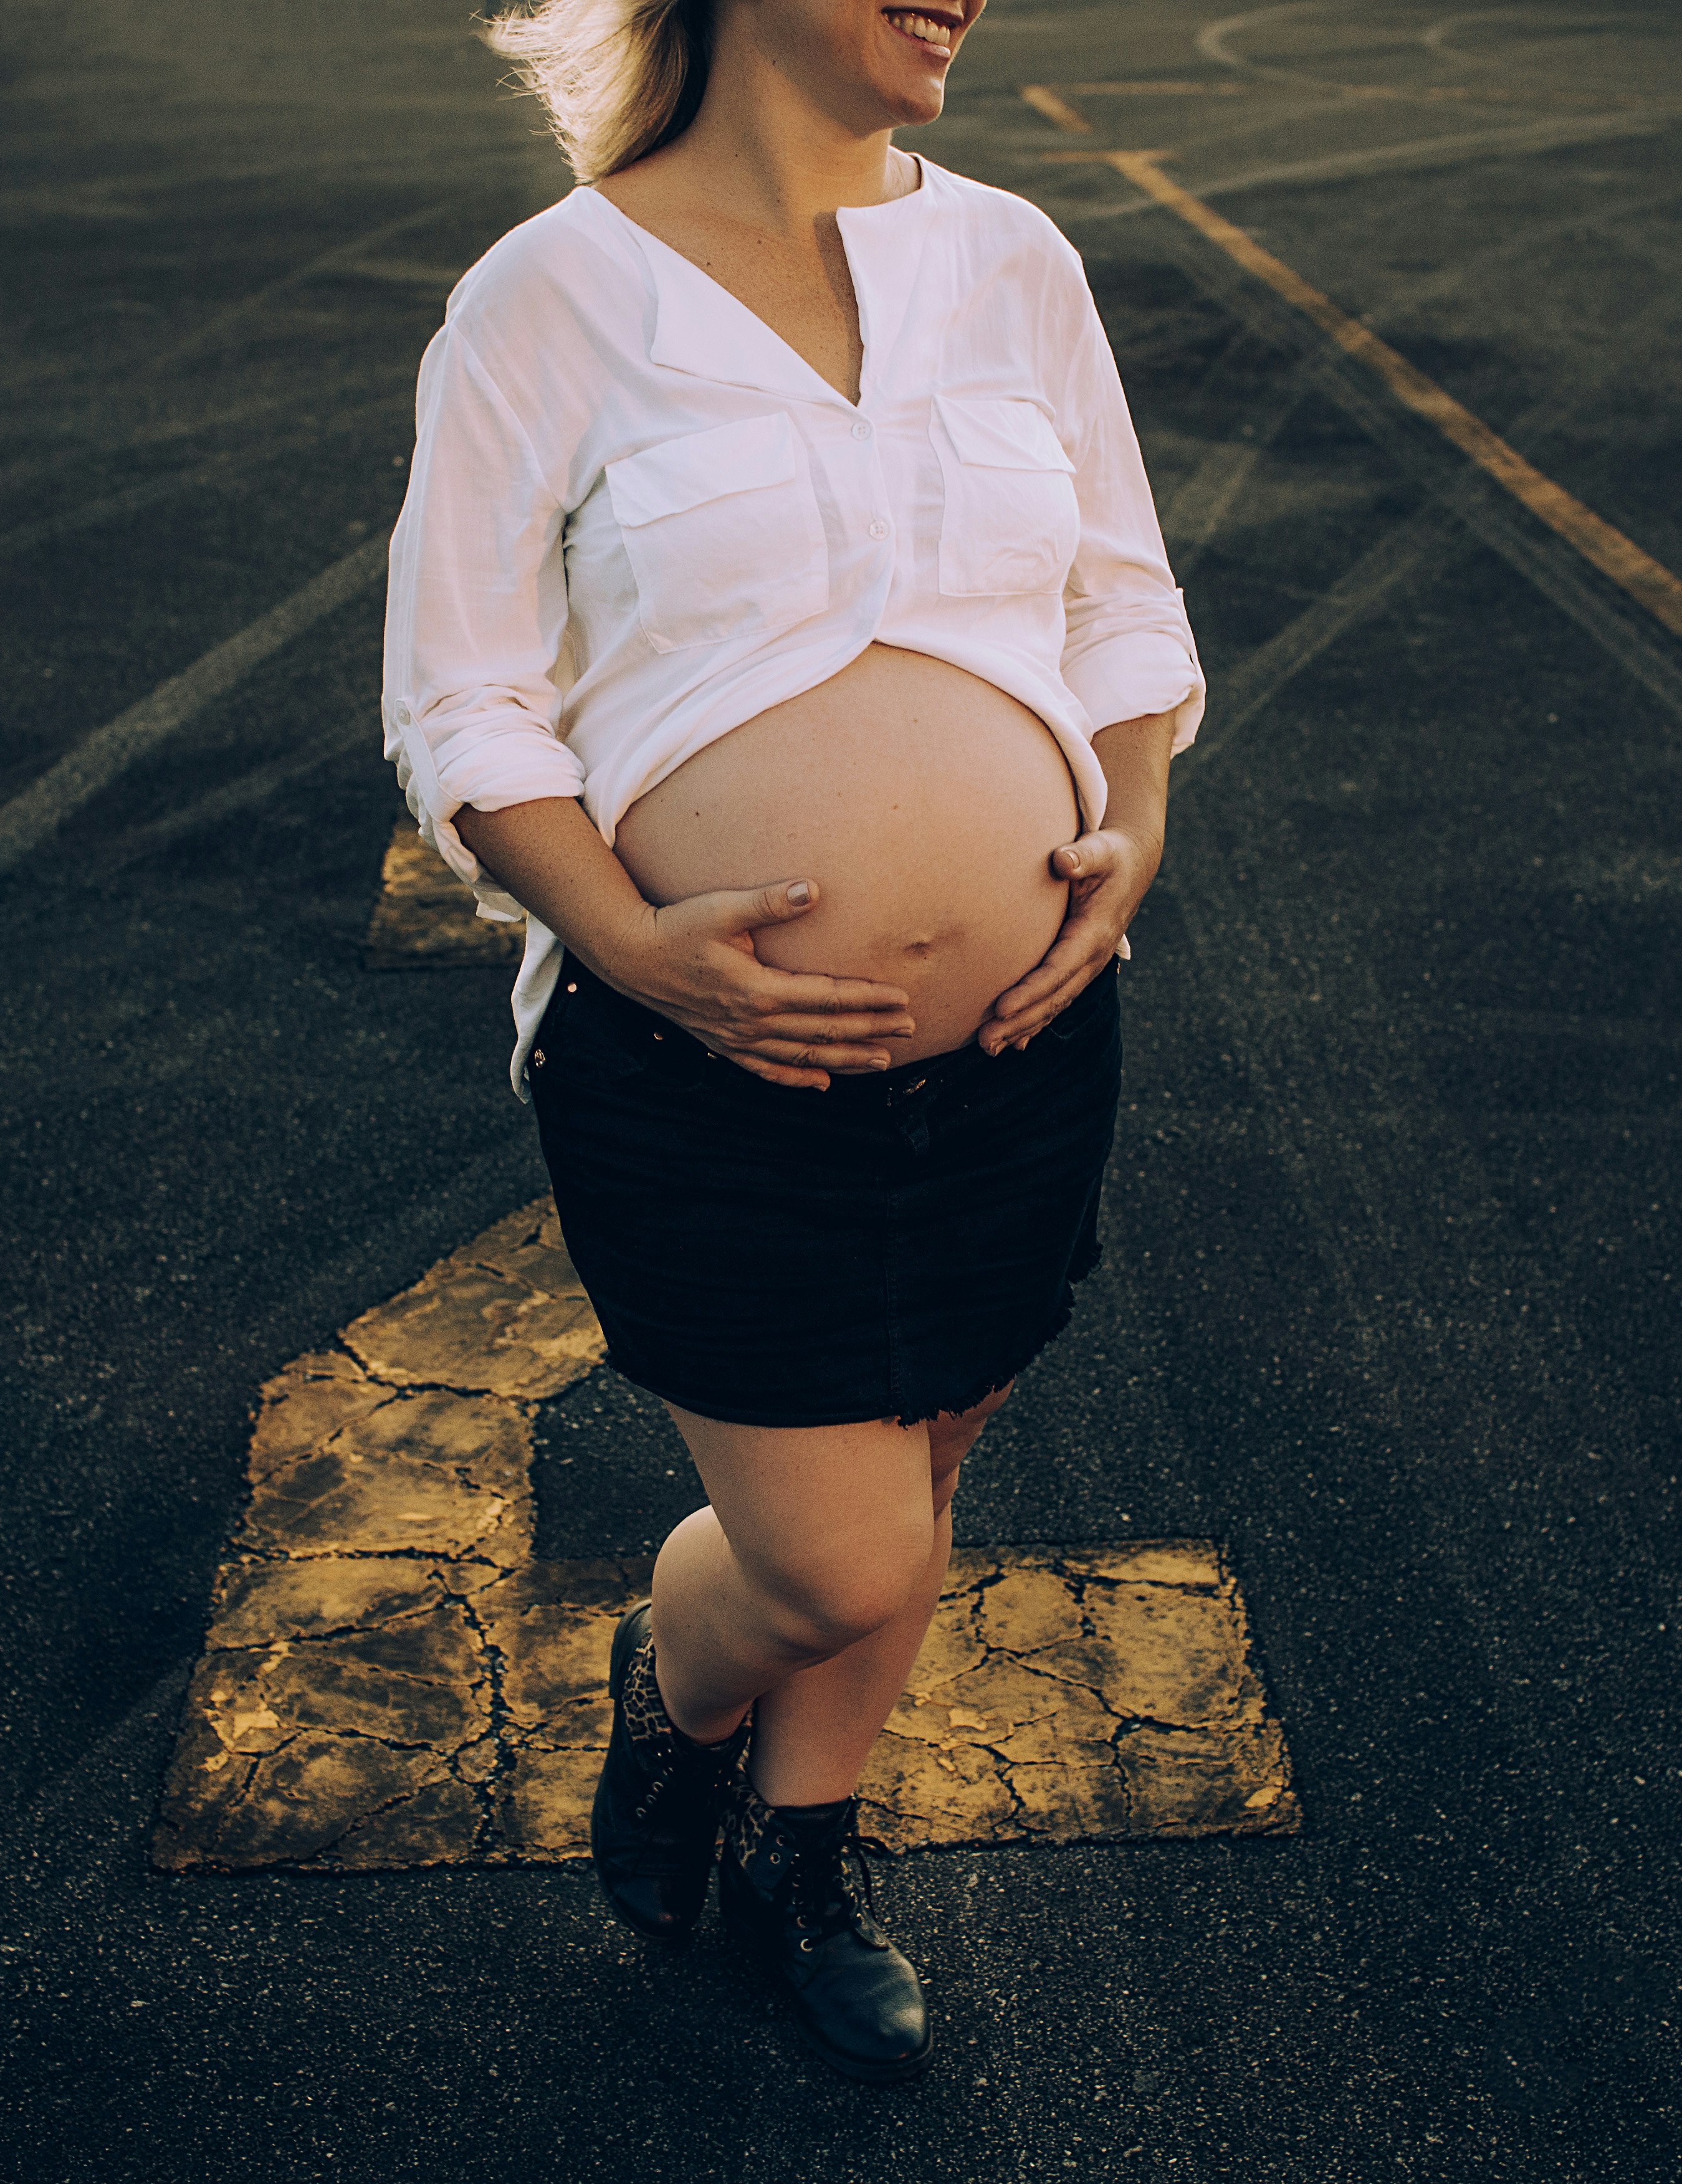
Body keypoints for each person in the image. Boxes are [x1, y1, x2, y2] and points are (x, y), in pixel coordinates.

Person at [381, 0, 1200, 2083]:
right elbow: (461, 698)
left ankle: (806, 1858)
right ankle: (679, 1714)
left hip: (1026, 1036)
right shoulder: (548, 298)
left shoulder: (1015, 261)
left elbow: (1119, 601)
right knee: (838, 1549)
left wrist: (1128, 837)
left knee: (929, 1456)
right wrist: (633, 947)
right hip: (698, 1066)